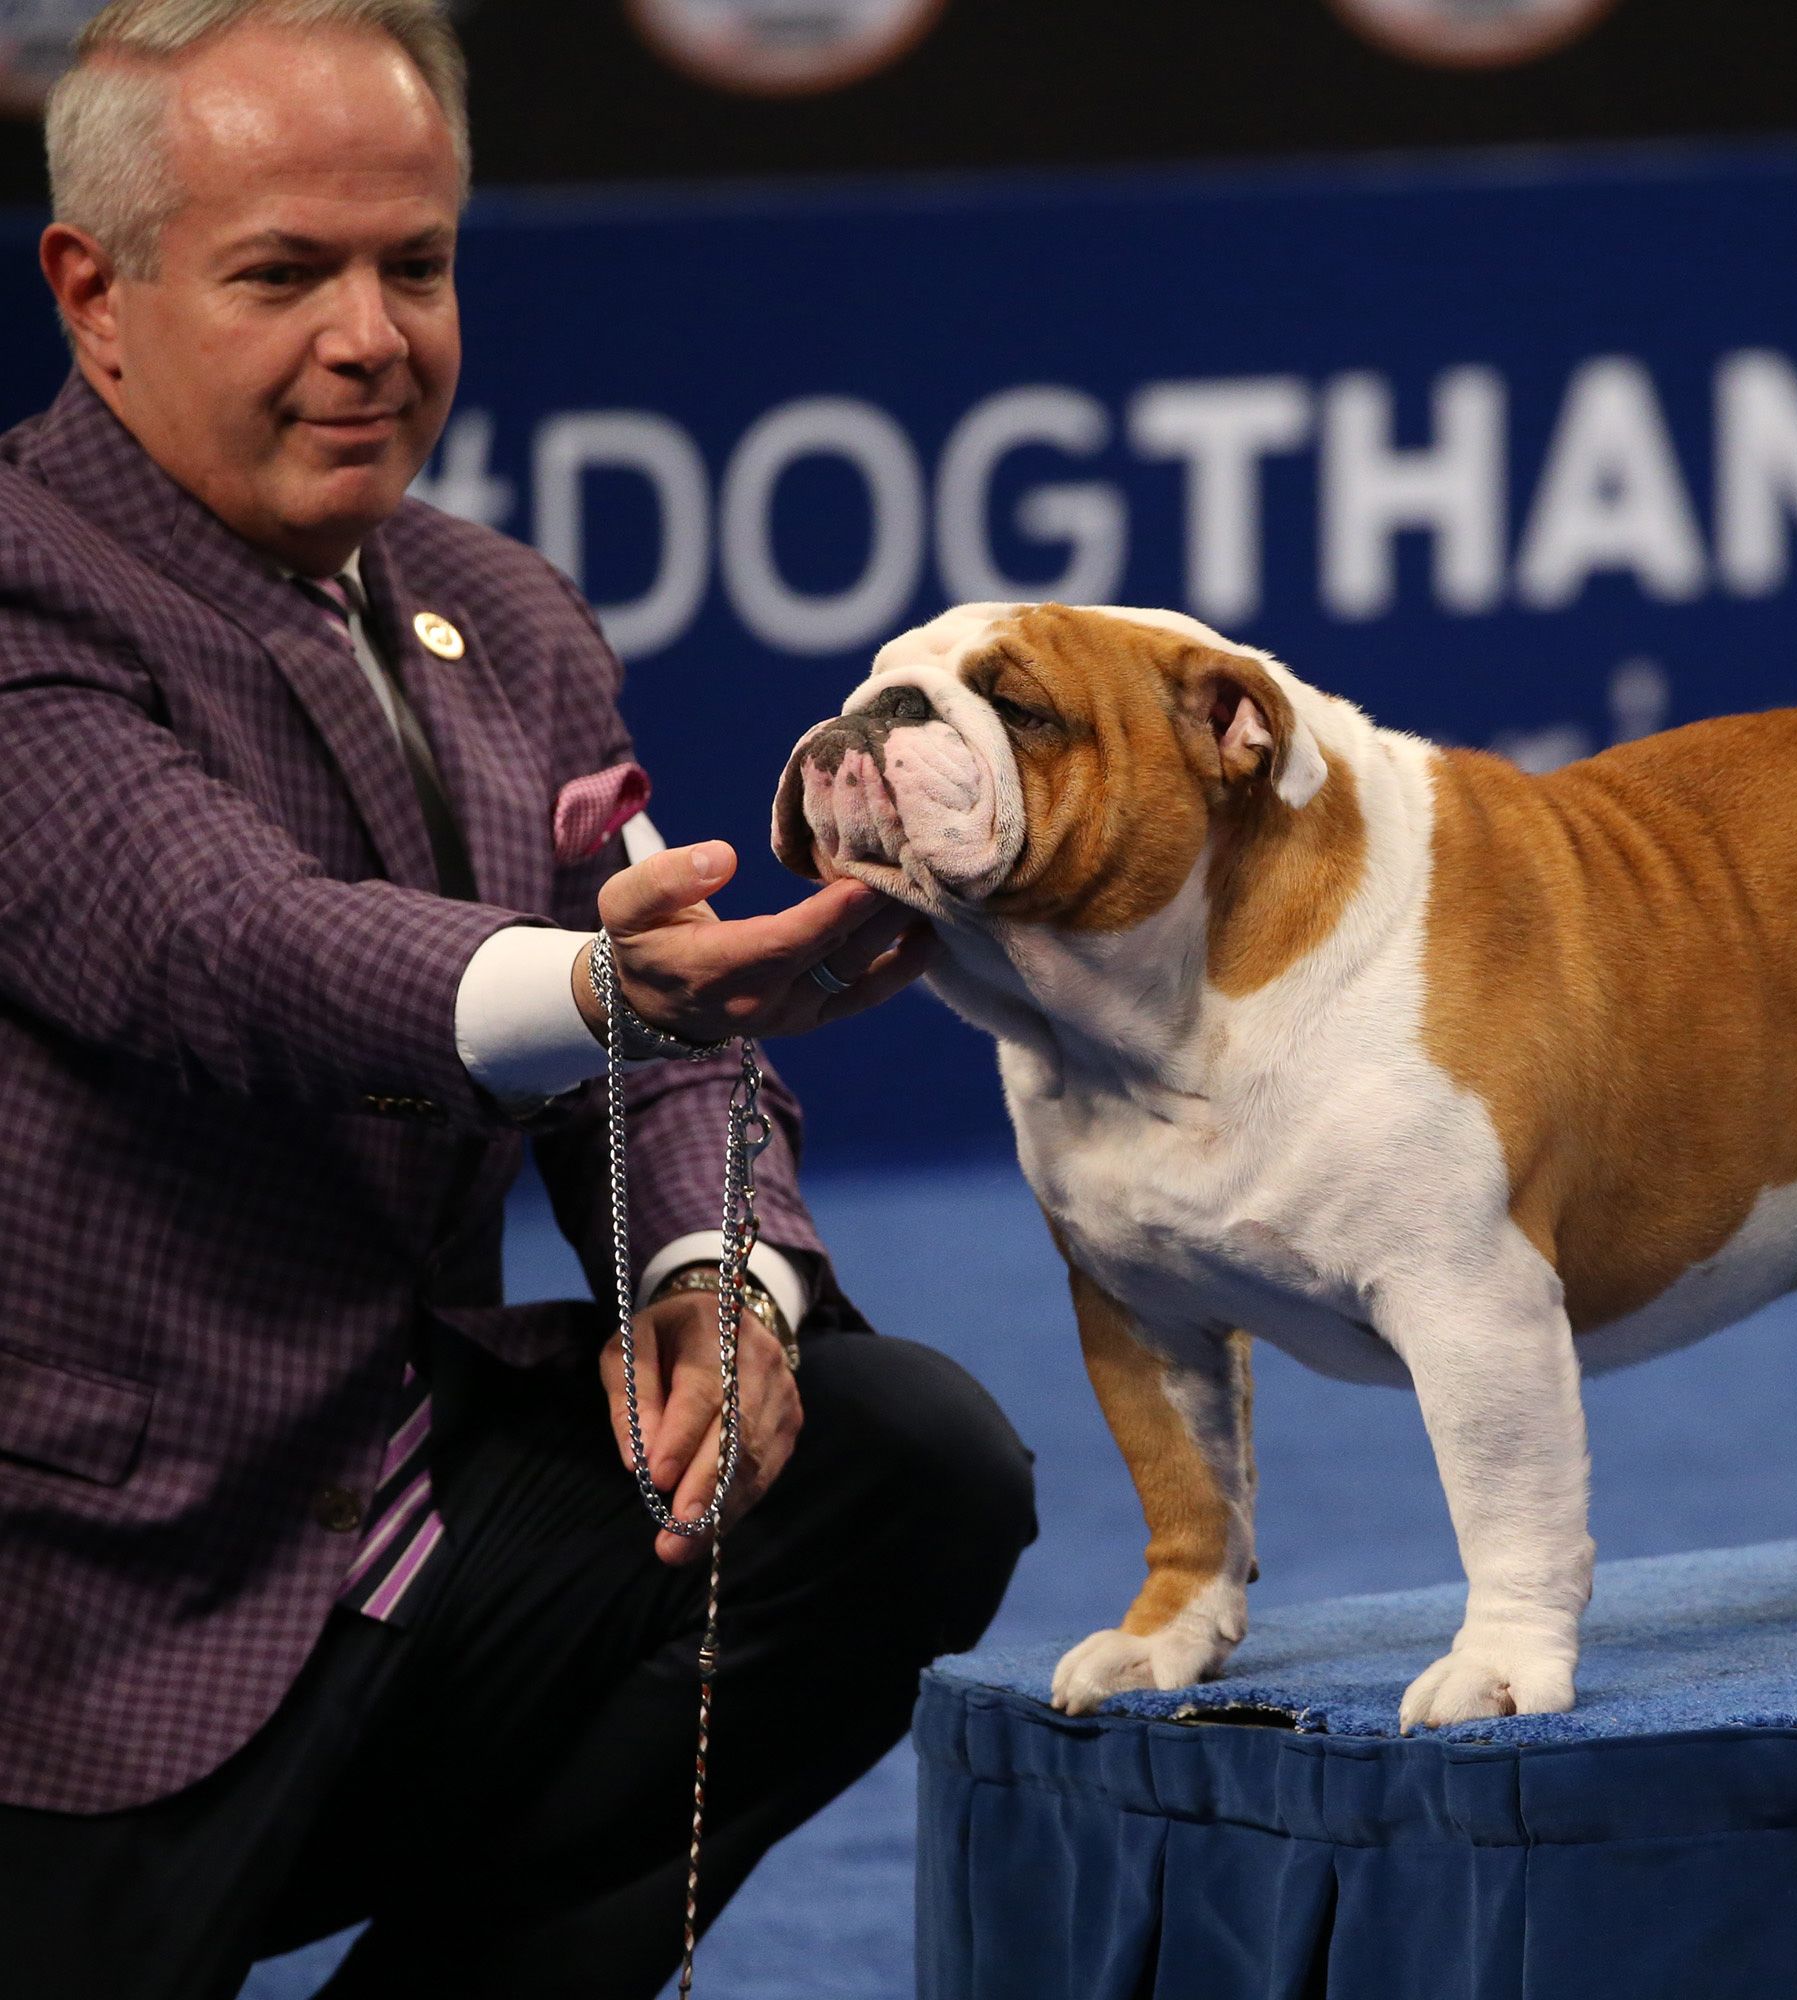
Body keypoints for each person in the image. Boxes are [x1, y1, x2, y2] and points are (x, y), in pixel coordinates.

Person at [0, 4, 1035, 1995]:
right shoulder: (26, 591)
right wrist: (603, 984)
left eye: (419, 261)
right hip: (82, 1642)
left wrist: (708, 1282)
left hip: (393, 1519)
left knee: (902, 1465)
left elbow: (651, 1074)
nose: (374, 335)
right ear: (94, 293)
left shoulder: (509, 608)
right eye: (285, 273)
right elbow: (231, 947)